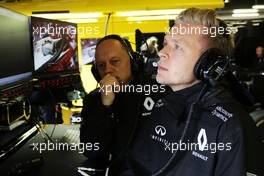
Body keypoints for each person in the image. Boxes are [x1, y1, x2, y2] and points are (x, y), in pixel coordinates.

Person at [121, 8, 263, 176]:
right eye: (166, 43)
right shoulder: (161, 104)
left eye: (178, 47)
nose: (161, 53)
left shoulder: (230, 127)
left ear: (208, 64)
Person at [80, 34, 167, 175]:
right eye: (101, 65)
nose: (107, 70)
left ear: (133, 62)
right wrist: (105, 105)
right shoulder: (93, 100)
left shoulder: (156, 89)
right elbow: (91, 150)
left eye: (115, 61)